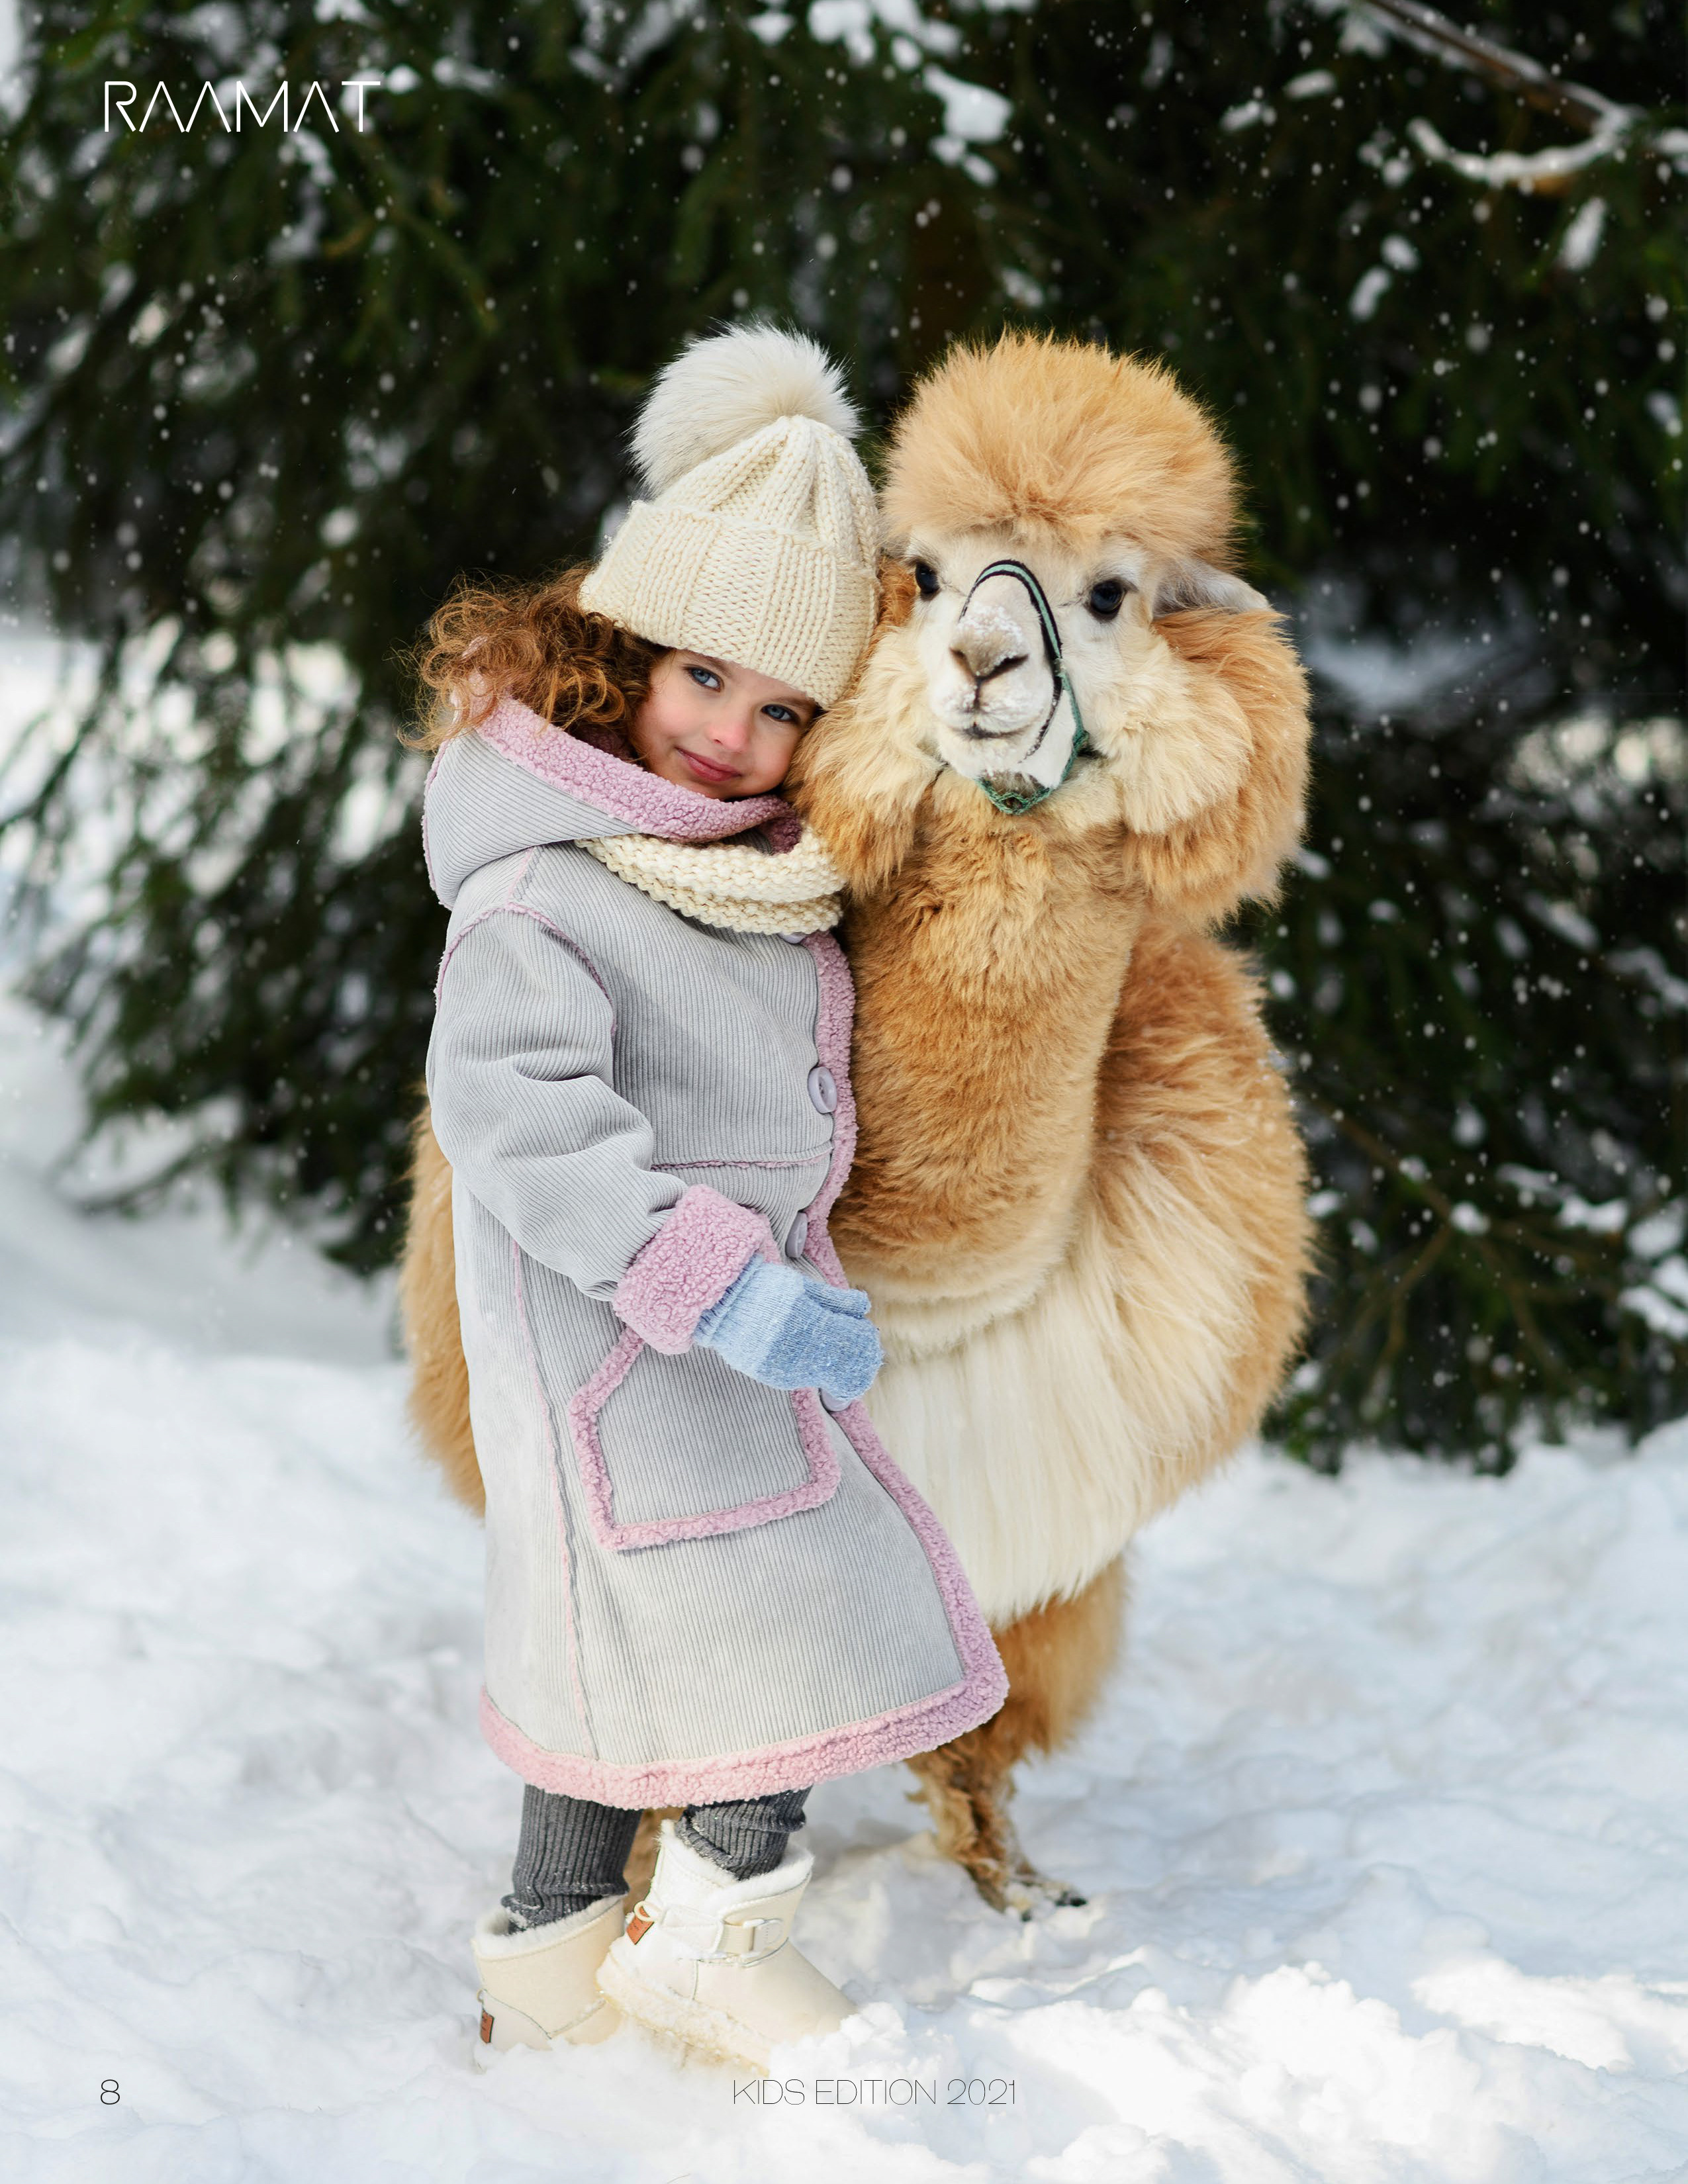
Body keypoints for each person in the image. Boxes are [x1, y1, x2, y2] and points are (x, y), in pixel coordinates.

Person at [414, 324, 1007, 2072]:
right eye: (702, 679)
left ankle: (548, 1943)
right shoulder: (545, 887)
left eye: (784, 709)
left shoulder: (736, 870)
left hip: (701, 1349)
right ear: (618, 655)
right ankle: (717, 1935)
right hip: (630, 1331)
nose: (733, 736)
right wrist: (716, 1279)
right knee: (777, 1626)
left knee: (624, 1660)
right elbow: (520, 1121)